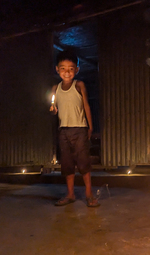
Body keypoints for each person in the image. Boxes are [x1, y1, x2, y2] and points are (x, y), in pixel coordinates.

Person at [50, 50, 99, 207]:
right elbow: (54, 106)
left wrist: (90, 127)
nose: (67, 72)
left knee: (84, 163)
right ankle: (70, 194)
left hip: (79, 129)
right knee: (67, 164)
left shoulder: (79, 85)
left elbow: (86, 106)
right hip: (63, 130)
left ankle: (89, 195)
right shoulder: (55, 89)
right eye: (63, 68)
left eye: (71, 68)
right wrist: (53, 109)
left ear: (77, 70)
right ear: (57, 69)